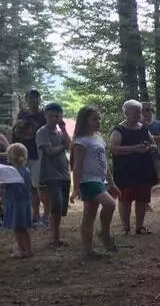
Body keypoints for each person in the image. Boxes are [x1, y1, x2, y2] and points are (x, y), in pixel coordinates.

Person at [72, 106, 119, 258]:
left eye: (99, 118)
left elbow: (104, 162)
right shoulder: (81, 141)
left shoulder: (98, 137)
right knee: (110, 204)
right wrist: (76, 187)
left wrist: (111, 183)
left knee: (89, 215)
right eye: (94, 119)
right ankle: (104, 233)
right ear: (84, 121)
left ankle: (88, 250)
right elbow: (77, 165)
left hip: (100, 180)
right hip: (88, 181)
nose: (98, 121)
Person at [110, 100, 158, 235]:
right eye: (134, 111)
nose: (138, 114)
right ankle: (125, 227)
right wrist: (134, 149)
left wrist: (148, 147)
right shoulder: (118, 130)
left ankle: (139, 226)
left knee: (142, 198)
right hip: (125, 170)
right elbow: (113, 149)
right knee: (125, 198)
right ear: (125, 113)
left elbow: (154, 145)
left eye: (139, 111)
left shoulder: (143, 128)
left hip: (143, 169)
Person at [35, 102, 71, 247]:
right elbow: (49, 152)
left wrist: (63, 128)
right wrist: (63, 146)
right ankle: (53, 238)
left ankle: (56, 237)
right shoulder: (42, 132)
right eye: (51, 116)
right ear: (45, 115)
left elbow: (70, 145)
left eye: (57, 116)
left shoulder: (60, 131)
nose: (55, 119)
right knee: (55, 206)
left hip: (64, 173)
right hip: (50, 174)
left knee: (61, 208)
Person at [13, 89, 47, 226]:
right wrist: (18, 125)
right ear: (26, 100)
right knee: (26, 184)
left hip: (37, 153)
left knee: (38, 185)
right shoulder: (23, 114)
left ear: (39, 99)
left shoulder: (43, 115)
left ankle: (41, 214)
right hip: (23, 153)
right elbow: (16, 131)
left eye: (36, 98)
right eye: (31, 98)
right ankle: (33, 214)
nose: (34, 100)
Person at [2, 143, 33, 258]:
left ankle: (21, 250)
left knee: (17, 228)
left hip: (15, 202)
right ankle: (28, 249)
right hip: (25, 202)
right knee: (24, 228)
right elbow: (28, 186)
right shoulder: (26, 170)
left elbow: (8, 186)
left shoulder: (11, 171)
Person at [142, 102, 160, 210]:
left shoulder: (157, 123)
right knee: (146, 181)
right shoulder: (138, 124)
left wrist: (150, 138)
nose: (147, 112)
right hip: (143, 157)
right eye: (145, 110)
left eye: (149, 110)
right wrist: (155, 138)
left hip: (157, 155)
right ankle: (146, 204)